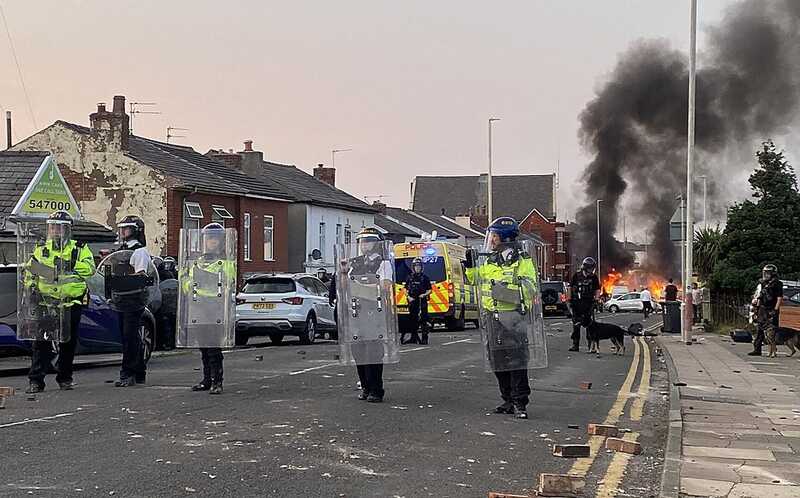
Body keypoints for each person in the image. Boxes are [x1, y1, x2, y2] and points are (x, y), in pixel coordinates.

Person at [466, 217, 538, 419]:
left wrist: (504, 291)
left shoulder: (522, 261)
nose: (492, 240)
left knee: (517, 361)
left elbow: (530, 288)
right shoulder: (490, 259)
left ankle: (519, 402)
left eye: (495, 236)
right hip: (492, 317)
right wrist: (470, 266)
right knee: (496, 360)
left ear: (505, 238)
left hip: (513, 317)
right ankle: (507, 398)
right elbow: (475, 280)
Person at [23, 211, 95, 393]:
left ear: (67, 229)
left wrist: (71, 264)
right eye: (52, 227)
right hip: (46, 303)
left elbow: (90, 270)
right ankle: (36, 381)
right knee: (41, 343)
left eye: (58, 227)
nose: (55, 230)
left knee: (68, 344)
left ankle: (65, 378)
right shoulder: (41, 249)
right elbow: (30, 271)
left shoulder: (79, 248)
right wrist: (31, 289)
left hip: (71, 303)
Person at [334, 227, 396, 403]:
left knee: (373, 352)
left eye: (368, 241)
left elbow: (383, 287)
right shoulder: (354, 263)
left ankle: (377, 389)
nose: (364, 245)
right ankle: (366, 386)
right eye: (362, 241)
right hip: (355, 311)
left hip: (374, 311)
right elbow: (344, 287)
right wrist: (344, 273)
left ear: (376, 244)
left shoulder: (383, 263)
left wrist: (358, 288)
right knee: (358, 352)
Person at [179, 223, 237, 395]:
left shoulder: (225, 263)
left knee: (213, 347)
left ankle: (217, 381)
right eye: (207, 239)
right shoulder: (196, 262)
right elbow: (186, 285)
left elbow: (229, 283)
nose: (210, 242)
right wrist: (188, 283)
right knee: (203, 346)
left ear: (220, 241)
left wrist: (209, 282)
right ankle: (206, 379)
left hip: (215, 309)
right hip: (198, 307)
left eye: (213, 239)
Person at [111, 215, 153, 387]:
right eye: (121, 228)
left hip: (134, 298)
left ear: (135, 231)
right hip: (122, 298)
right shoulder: (121, 250)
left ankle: (128, 373)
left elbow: (140, 275)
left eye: (126, 228)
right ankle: (139, 371)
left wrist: (124, 278)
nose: (122, 232)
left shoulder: (139, 251)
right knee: (129, 337)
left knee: (130, 337)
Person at [567, 257, 601, 352]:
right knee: (576, 325)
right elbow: (570, 287)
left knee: (589, 325)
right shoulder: (576, 276)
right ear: (585, 267)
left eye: (592, 268)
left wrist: (597, 299)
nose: (591, 270)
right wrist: (569, 299)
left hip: (588, 303)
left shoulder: (594, 277)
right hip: (576, 303)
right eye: (590, 268)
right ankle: (575, 345)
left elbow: (597, 289)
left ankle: (591, 346)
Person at [749, 264, 783, 357]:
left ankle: (773, 349)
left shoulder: (777, 284)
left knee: (772, 330)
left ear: (773, 273)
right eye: (765, 272)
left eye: (768, 273)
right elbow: (760, 296)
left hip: (772, 308)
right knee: (760, 329)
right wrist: (757, 308)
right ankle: (757, 349)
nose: (766, 274)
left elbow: (779, 298)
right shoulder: (763, 283)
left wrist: (775, 310)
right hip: (763, 309)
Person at [402, 257, 432, 345]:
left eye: (419, 266)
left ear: (421, 267)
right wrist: (408, 296)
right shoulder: (410, 277)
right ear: (413, 267)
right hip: (412, 301)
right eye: (416, 266)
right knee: (412, 320)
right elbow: (405, 288)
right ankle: (413, 337)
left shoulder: (425, 278)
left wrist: (424, 295)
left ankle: (424, 338)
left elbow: (429, 289)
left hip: (421, 301)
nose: (417, 268)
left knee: (423, 319)